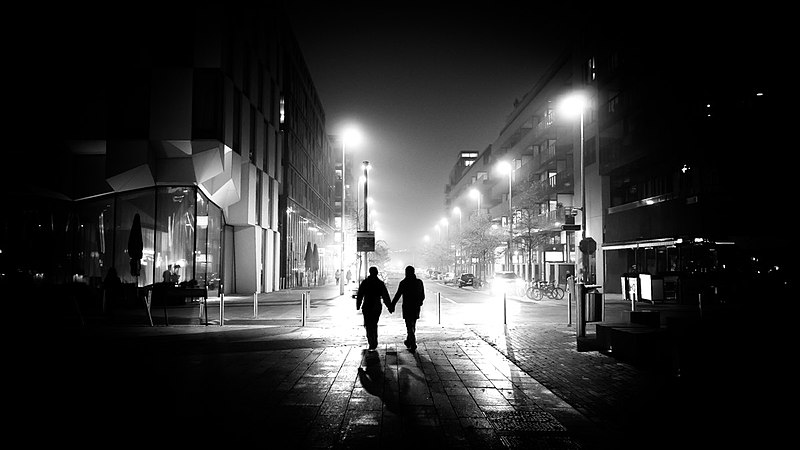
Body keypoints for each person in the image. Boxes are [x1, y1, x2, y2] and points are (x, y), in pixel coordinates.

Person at [356, 266, 393, 351]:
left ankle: (371, 341)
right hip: (376, 306)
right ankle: (374, 341)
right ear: (376, 273)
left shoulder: (365, 282)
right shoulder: (380, 283)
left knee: (368, 324)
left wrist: (358, 305)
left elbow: (360, 294)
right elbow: (385, 296)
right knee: (374, 323)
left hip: (367, 306)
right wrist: (389, 307)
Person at [390, 265, 425, 351]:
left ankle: (412, 343)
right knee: (413, 324)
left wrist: (392, 305)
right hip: (416, 307)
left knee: (409, 325)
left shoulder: (403, 283)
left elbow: (398, 295)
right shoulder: (419, 282)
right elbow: (422, 295)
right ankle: (409, 341)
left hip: (407, 307)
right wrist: (420, 302)